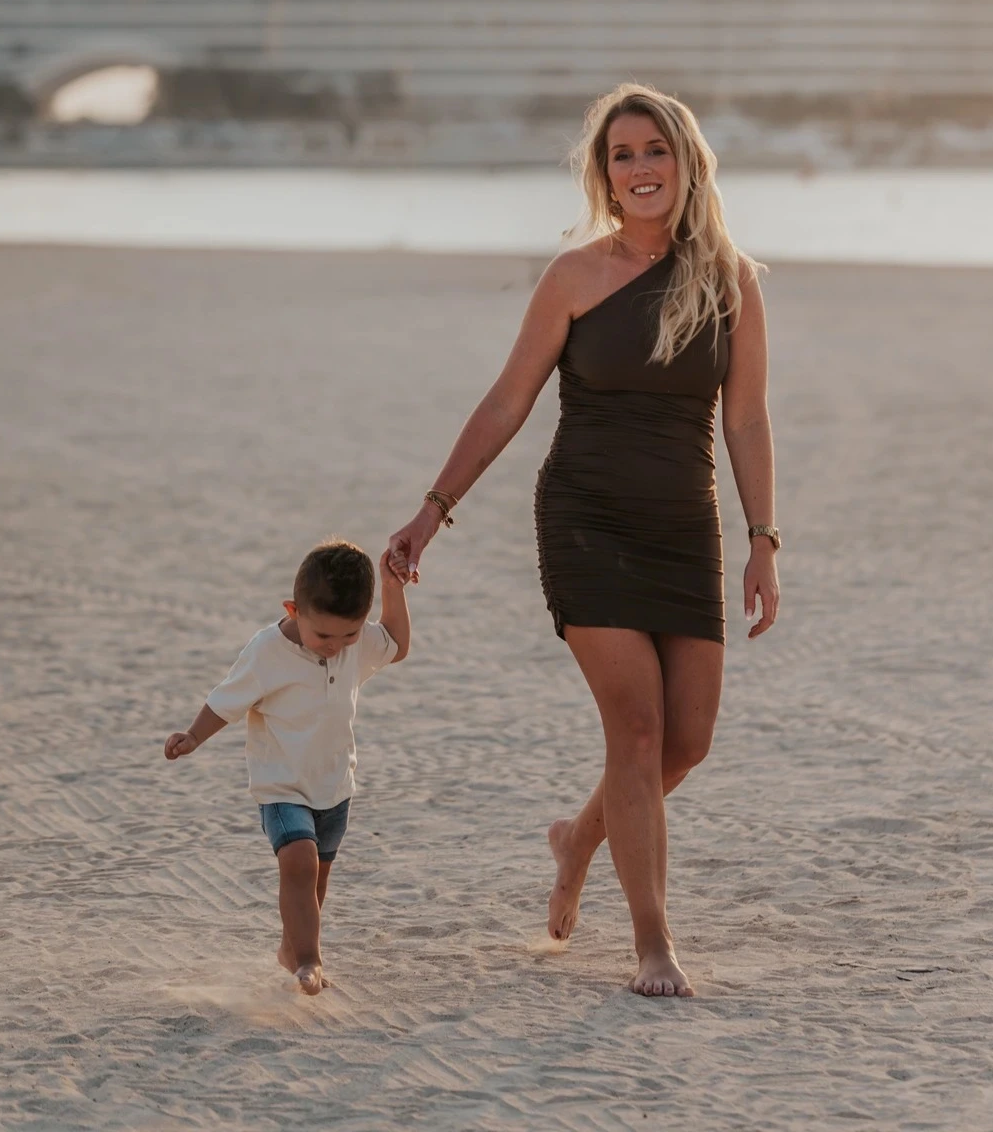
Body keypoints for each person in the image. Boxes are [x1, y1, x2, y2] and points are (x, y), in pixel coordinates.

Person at [388, 84, 779, 998]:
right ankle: (653, 943)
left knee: (688, 742)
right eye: (622, 155)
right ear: (604, 174)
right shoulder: (574, 277)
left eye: (655, 151)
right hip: (586, 519)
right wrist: (430, 511)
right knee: (636, 731)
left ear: (687, 162)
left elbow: (749, 419)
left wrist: (763, 538)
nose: (640, 168)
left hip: (685, 526)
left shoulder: (732, 282)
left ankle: (578, 837)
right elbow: (506, 402)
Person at [164, 539, 411, 995]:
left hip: (335, 786)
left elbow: (396, 644)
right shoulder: (267, 651)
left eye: (350, 636)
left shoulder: (351, 644)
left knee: (315, 882)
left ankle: (291, 947)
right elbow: (226, 699)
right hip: (281, 786)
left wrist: (395, 589)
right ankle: (310, 961)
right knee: (299, 862)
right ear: (293, 610)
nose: (335, 648)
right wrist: (194, 735)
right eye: (324, 637)